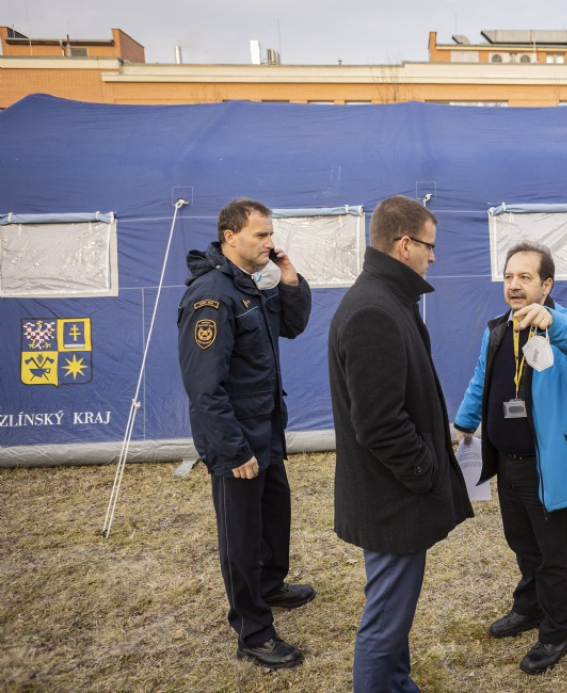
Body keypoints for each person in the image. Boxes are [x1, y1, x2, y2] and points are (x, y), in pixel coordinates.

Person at [328, 195, 473, 692]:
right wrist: (426, 471)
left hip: (391, 495)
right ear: (405, 244)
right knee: (385, 621)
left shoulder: (388, 299)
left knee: (394, 614)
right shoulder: (374, 310)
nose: (434, 257)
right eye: (430, 247)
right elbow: (379, 423)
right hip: (391, 500)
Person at [454, 241, 567, 675]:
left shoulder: (566, 324)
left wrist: (555, 322)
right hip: (507, 463)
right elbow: (480, 380)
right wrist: (464, 424)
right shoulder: (498, 329)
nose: (514, 285)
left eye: (525, 277)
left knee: (553, 551)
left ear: (547, 285)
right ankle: (529, 607)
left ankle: (556, 631)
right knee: (521, 542)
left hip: (548, 466)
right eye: (508, 276)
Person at [176, 197, 314, 669]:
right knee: (241, 535)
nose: (270, 243)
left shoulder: (251, 285)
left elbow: (293, 326)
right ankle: (253, 630)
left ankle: (270, 585)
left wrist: (291, 280)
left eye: (271, 234)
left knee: (274, 518)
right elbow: (204, 388)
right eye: (261, 235)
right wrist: (233, 451)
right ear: (229, 236)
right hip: (236, 439)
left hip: (266, 431)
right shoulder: (211, 296)